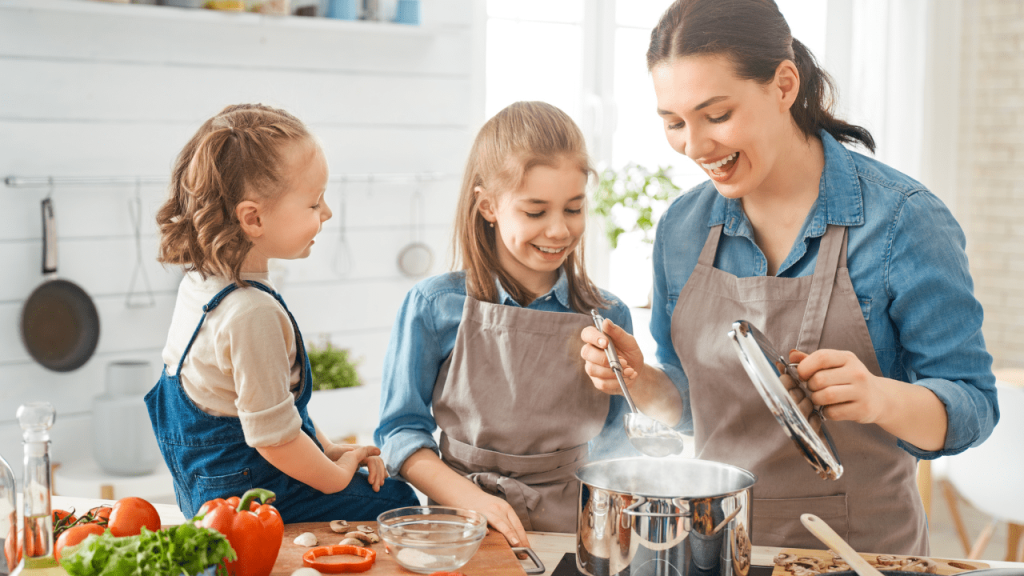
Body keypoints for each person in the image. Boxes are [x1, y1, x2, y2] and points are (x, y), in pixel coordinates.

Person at [581, 0, 998, 556]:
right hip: (718, 549)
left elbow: (973, 406)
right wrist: (644, 383)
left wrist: (878, 398)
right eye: (674, 122)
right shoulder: (683, 228)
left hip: (860, 552)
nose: (695, 146)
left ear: (783, 85)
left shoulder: (902, 220)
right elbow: (693, 401)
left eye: (717, 115)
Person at [375, 101, 641, 546]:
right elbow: (399, 433)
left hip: (576, 525)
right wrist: (468, 499)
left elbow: (621, 442)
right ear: (488, 206)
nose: (558, 231)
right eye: (536, 212)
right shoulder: (433, 305)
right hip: (459, 524)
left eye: (573, 209)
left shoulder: (608, 314)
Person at [146, 103, 419, 522]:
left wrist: (327, 449)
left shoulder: (200, 284)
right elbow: (273, 440)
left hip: (203, 492)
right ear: (253, 218)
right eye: (314, 203)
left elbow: (270, 407)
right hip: (252, 500)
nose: (326, 213)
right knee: (398, 502)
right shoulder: (250, 312)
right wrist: (335, 474)